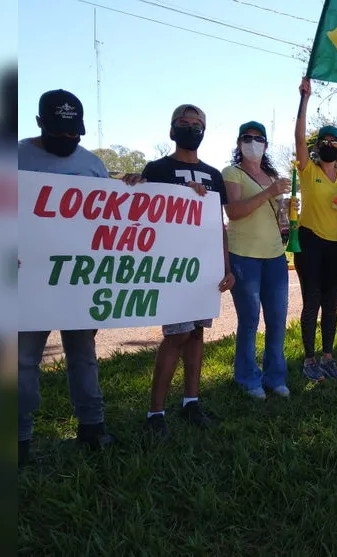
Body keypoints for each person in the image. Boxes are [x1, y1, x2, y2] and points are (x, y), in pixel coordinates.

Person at [123, 104, 235, 439]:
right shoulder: (157, 168)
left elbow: (219, 225)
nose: (190, 128)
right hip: (172, 268)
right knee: (176, 335)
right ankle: (155, 411)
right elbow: (140, 208)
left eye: (196, 123)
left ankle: (191, 401)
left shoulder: (214, 175)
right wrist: (133, 185)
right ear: (172, 129)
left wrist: (226, 265)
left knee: (198, 333)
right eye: (183, 123)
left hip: (204, 267)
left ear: (204, 129)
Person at [18, 89, 112, 465]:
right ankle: (18, 439)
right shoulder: (14, 158)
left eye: (74, 133)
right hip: (26, 281)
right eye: (59, 133)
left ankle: (92, 427)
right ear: (40, 123)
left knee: (84, 355)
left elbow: (111, 221)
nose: (68, 140)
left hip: (80, 281)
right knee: (22, 361)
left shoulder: (92, 165)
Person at [222, 121, 292, 399]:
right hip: (244, 256)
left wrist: (286, 208)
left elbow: (277, 218)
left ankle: (276, 377)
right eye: (247, 138)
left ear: (266, 144)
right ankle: (248, 379)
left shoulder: (271, 175)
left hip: (275, 255)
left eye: (258, 138)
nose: (252, 143)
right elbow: (234, 211)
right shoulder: (232, 173)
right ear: (239, 143)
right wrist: (270, 193)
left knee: (277, 319)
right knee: (249, 320)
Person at [294, 78, 337, 381]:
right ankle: (309, 359)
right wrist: (304, 99)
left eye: (334, 142)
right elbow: (299, 139)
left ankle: (328, 356)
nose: (329, 146)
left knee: (331, 304)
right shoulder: (308, 169)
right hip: (310, 242)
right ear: (318, 147)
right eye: (324, 142)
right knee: (312, 301)